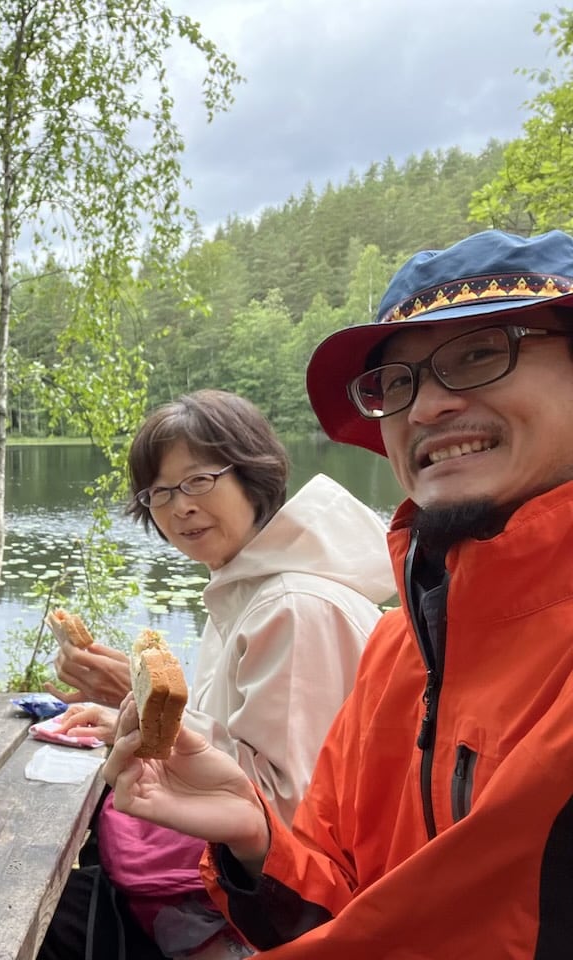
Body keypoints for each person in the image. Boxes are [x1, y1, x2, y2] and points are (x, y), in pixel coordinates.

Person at [104, 229, 573, 958]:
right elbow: (340, 900)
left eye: (481, 353)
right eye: (398, 384)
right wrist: (251, 835)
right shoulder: (401, 649)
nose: (426, 409)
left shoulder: (298, 606)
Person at [40, 390, 394, 960]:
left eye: (200, 481)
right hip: (229, 879)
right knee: (73, 889)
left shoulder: (293, 606)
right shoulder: (246, 590)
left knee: (51, 912)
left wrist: (147, 707)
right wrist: (126, 716)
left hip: (281, 909)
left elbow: (289, 805)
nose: (180, 507)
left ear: (254, 474)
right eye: (159, 492)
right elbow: (240, 741)